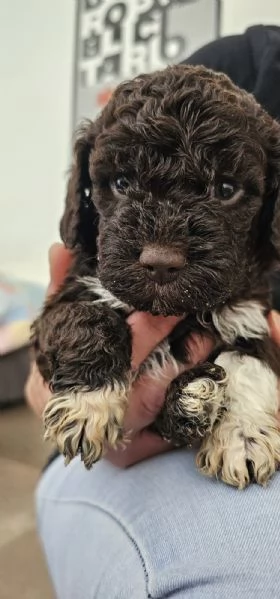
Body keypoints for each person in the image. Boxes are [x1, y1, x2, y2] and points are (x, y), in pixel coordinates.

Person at [26, 26, 280, 599]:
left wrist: (247, 405)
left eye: (221, 191)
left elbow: (254, 345)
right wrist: (82, 378)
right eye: (121, 182)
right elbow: (65, 319)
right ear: (87, 195)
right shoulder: (248, 63)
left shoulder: (247, 297)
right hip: (104, 464)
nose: (161, 249)